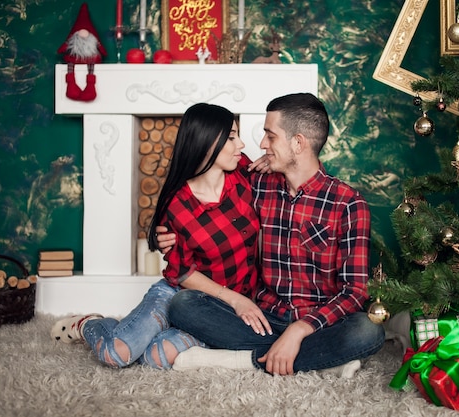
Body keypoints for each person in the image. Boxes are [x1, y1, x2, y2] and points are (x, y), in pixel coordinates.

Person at [156, 93, 385, 377]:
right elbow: (203, 189)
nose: (262, 144)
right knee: (183, 304)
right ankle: (318, 359)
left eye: (270, 136)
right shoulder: (256, 181)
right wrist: (166, 234)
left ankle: (244, 359)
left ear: (298, 142)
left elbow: (355, 292)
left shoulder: (348, 204)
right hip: (263, 314)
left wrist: (300, 329)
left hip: (316, 321)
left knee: (368, 330)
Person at [50, 102, 268, 369]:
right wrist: (236, 299)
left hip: (214, 310)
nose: (242, 145)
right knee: (116, 354)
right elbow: (183, 274)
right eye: (232, 137)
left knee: (156, 358)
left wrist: (274, 160)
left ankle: (163, 333)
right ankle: (87, 324)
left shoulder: (244, 174)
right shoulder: (177, 205)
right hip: (178, 294)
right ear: (208, 142)